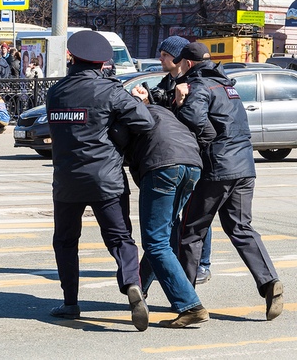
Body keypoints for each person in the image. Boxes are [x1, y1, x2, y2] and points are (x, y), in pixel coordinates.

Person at [45, 30, 155, 331]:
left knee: (66, 242)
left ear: (72, 58)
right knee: (120, 238)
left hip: (66, 180)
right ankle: (132, 284)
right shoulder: (111, 91)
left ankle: (70, 302)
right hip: (106, 179)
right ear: (103, 63)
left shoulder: (55, 92)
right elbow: (145, 122)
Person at [172, 42, 284, 323]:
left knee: (191, 231)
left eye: (179, 63)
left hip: (218, 169)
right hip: (245, 167)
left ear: (187, 63)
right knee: (240, 227)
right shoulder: (227, 86)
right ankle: (270, 282)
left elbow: (192, 118)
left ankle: (187, 301)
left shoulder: (199, 85)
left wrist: (207, 136)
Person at [117, 100, 209, 328]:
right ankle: (140, 289)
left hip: (163, 166)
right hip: (192, 164)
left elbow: (119, 150)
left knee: (155, 242)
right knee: (162, 236)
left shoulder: (126, 117)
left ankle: (190, 306)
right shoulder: (161, 111)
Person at [132, 35, 213, 284]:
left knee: (195, 216)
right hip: (177, 155)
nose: (161, 58)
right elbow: (165, 106)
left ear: (179, 59)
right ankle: (170, 262)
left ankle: (202, 264)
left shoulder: (194, 83)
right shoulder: (169, 82)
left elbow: (197, 122)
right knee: (174, 217)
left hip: (193, 157)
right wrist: (149, 99)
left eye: (165, 55)